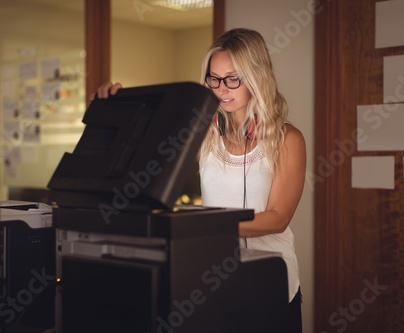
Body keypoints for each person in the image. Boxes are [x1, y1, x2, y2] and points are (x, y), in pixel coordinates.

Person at [92, 27, 306, 333]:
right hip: (213, 273)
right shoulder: (202, 133)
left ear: (257, 77)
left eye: (233, 78)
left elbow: (277, 219)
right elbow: (141, 146)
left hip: (272, 278)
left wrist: (196, 228)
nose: (221, 89)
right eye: (214, 79)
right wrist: (113, 106)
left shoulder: (287, 139)